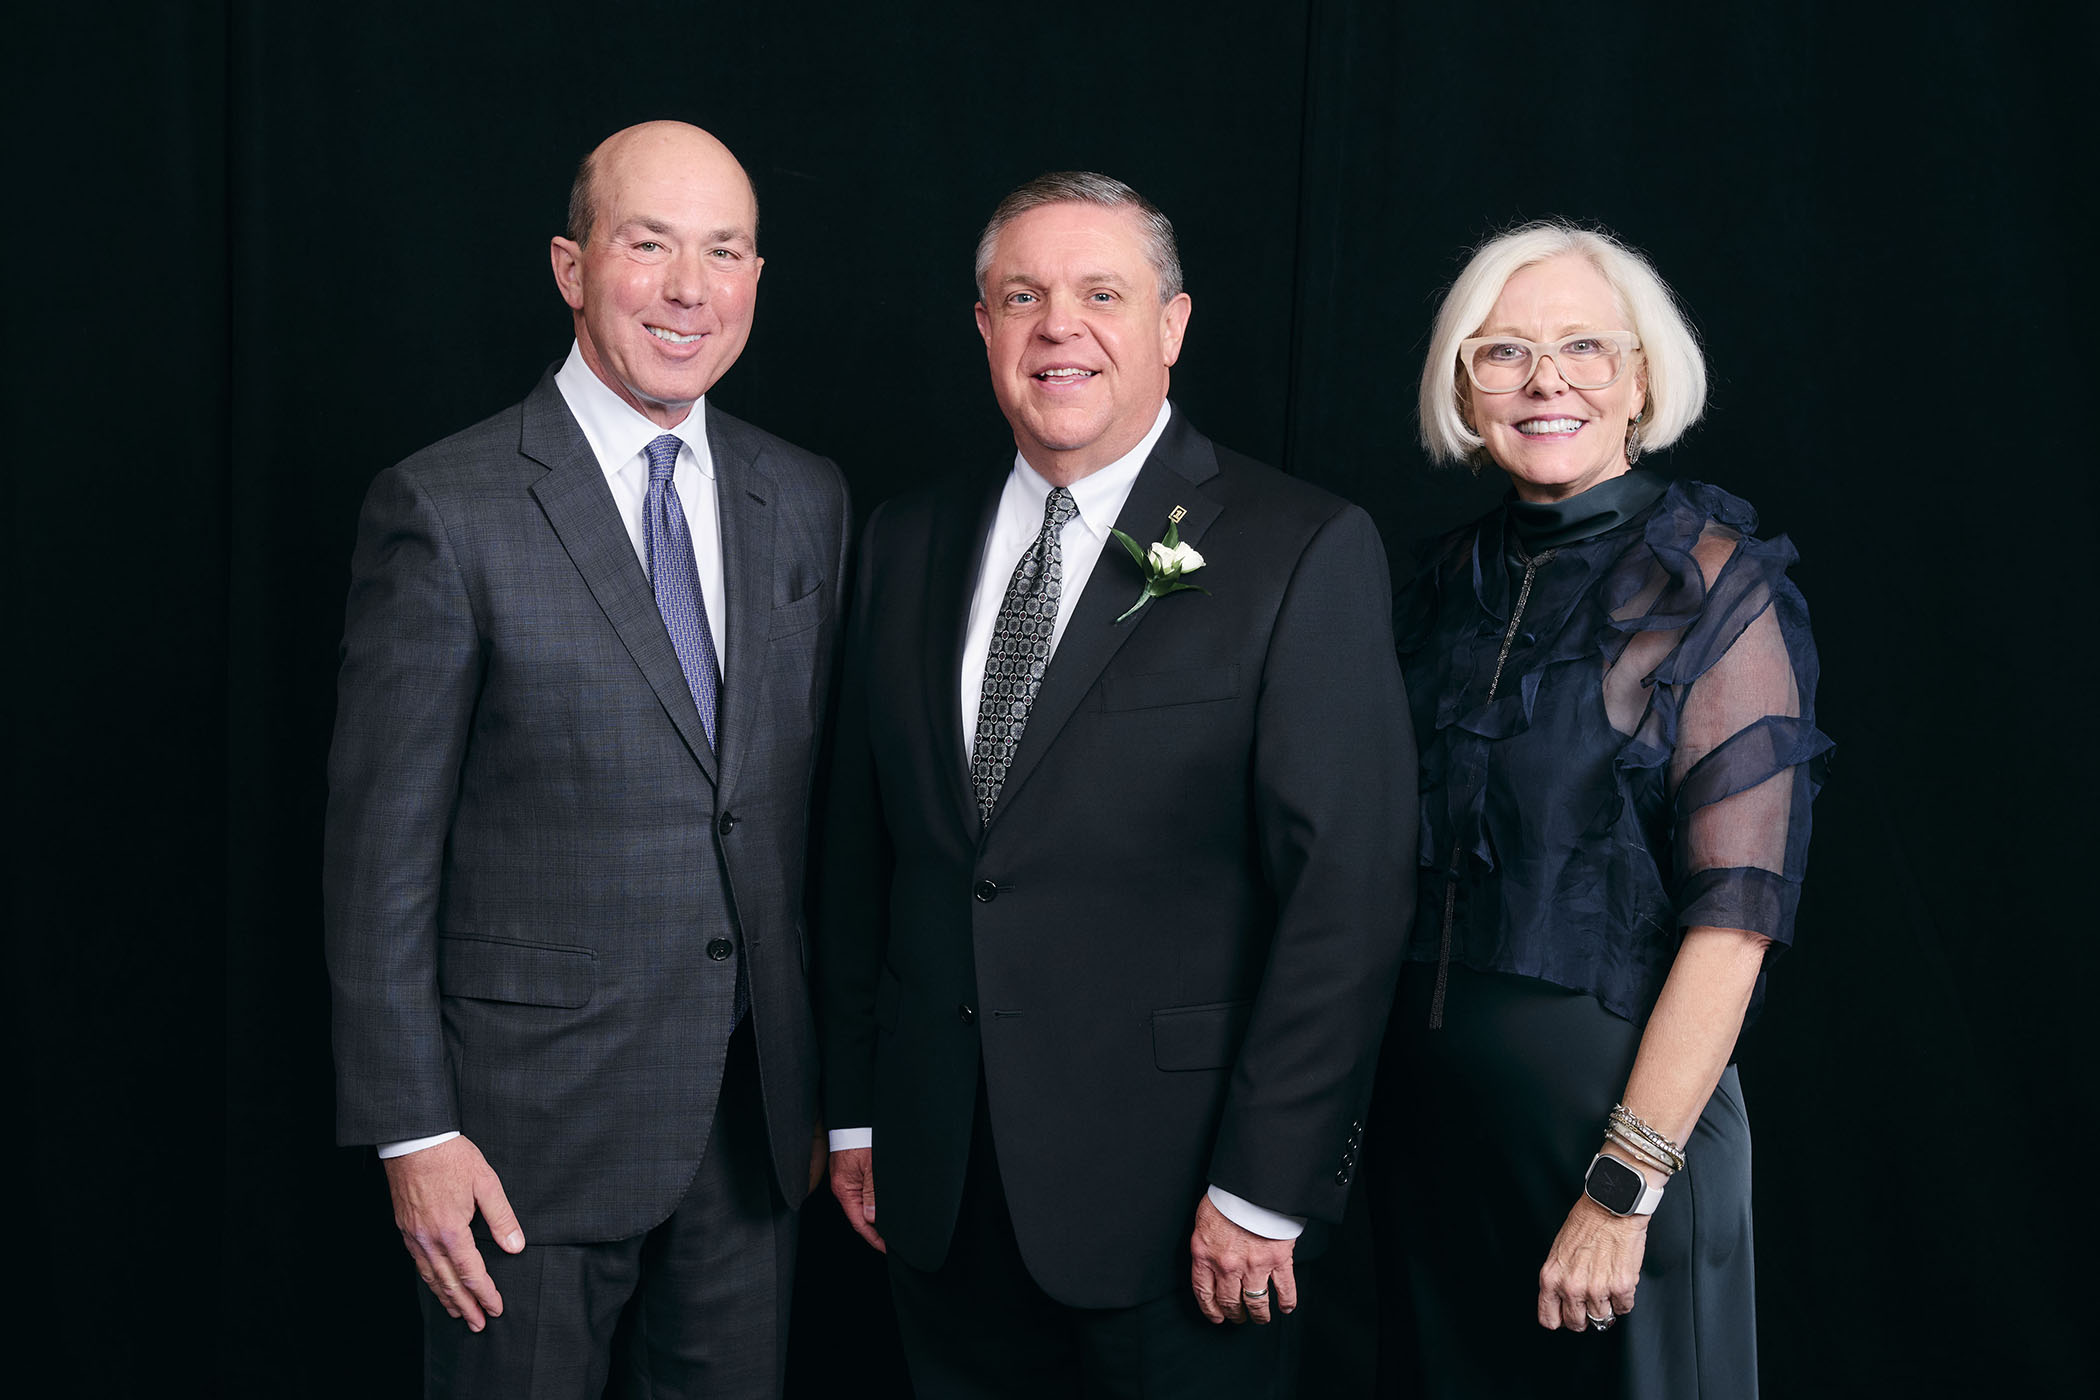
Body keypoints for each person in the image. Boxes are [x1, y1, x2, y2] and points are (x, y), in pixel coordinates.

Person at [812, 171, 1415, 1398]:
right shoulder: (903, 538)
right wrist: (858, 1109)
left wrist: (1265, 1185)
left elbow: (1346, 899)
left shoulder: (1299, 546)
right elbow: (861, 849)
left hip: (1182, 1204)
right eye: (1021, 295)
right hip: (940, 1183)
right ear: (982, 325)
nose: (1058, 327)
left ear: (1171, 325)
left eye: (1101, 294)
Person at [323, 120, 850, 1398]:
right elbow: (378, 854)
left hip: (751, 1132)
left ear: (757, 279)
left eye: (723, 251)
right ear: (571, 266)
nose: (689, 289)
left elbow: (814, 819)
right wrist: (413, 1128)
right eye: (650, 244)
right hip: (520, 1142)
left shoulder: (808, 497)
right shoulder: (446, 506)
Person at [1369, 221, 1831, 1398]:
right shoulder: (1438, 584)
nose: (1547, 381)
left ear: (1641, 379)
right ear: (1463, 386)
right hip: (1432, 1156)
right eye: (1505, 351)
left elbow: (1735, 923)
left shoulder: (1713, 581)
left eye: (1585, 346)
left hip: (1618, 1160)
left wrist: (1623, 1185)